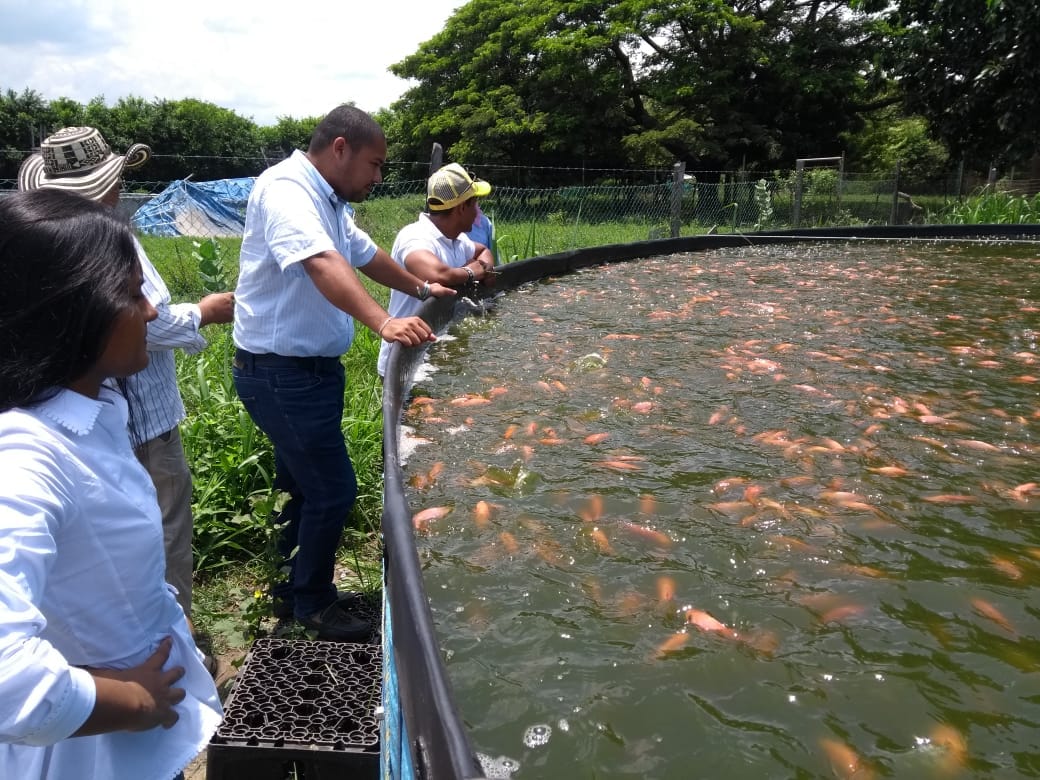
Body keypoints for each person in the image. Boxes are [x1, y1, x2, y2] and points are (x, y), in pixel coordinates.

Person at [0, 189, 222, 779]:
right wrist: (133, 702)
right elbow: (4, 678)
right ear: (74, 308)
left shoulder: (93, 412)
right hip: (89, 757)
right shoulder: (27, 455)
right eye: (130, 292)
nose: (151, 310)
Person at [232, 104, 456, 642]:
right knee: (334, 491)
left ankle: (290, 585)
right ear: (340, 149)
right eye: (375, 164)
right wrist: (383, 321)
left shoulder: (327, 199)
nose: (379, 177)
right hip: (281, 373)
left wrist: (423, 290)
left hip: (307, 372)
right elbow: (322, 263)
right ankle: (313, 604)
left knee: (303, 485)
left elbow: (365, 254)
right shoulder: (287, 189)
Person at [19, 126, 236, 620]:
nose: (148, 309)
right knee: (162, 532)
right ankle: (171, 640)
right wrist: (202, 312)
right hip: (140, 424)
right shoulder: (103, 245)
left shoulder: (51, 242)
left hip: (110, 414)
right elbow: (146, 325)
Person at [377, 163, 496, 378]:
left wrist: (485, 265)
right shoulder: (415, 236)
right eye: (475, 203)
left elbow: (483, 250)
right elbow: (438, 275)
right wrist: (473, 272)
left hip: (440, 352)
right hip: (407, 361)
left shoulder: (457, 239)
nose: (478, 211)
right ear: (461, 207)